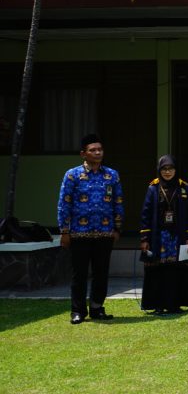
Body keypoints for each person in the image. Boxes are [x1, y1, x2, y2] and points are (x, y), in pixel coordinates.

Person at [57, 133, 123, 324]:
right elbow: (64, 204)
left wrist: (117, 228)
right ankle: (77, 311)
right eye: (92, 150)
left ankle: (96, 308)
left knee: (101, 273)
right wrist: (64, 231)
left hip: (105, 232)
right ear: (83, 154)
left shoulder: (112, 175)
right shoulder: (72, 175)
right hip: (79, 233)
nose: (97, 153)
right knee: (79, 274)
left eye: (100, 149)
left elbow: (118, 202)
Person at [139, 155, 188, 315]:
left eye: (170, 168)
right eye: (164, 169)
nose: (167, 172)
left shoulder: (185, 188)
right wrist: (144, 238)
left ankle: (175, 304)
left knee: (177, 271)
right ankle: (158, 305)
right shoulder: (153, 188)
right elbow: (145, 214)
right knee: (158, 271)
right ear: (159, 170)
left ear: (176, 170)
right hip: (159, 237)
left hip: (179, 237)